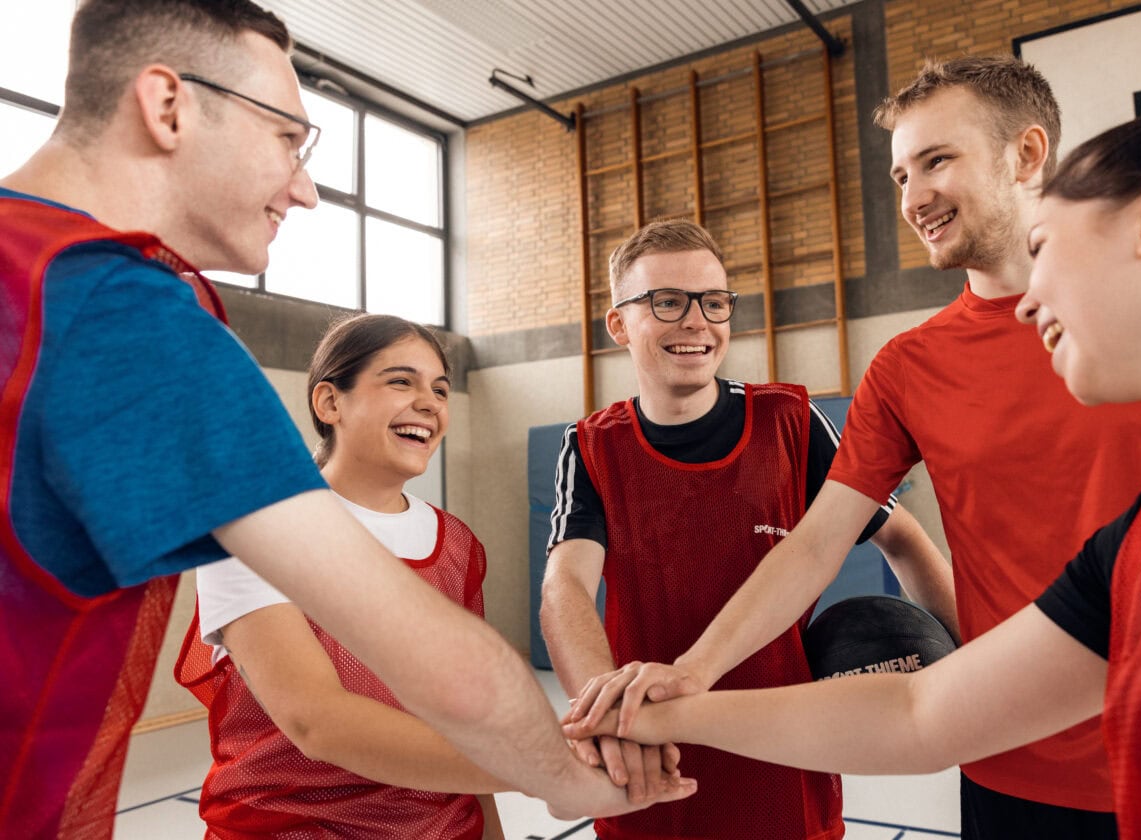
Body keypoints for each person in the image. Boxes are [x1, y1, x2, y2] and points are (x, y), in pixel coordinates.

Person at [0, 2, 689, 836]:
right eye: (288, 137)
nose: (307, 187)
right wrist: (576, 775)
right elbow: (432, 671)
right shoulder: (129, 314)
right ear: (168, 105)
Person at [564, 107, 1141, 840]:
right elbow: (918, 715)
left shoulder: (787, 422)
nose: (1028, 297)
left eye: (1045, 243)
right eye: (900, 174)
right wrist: (656, 706)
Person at [541, 218, 957, 840]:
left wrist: (971, 660)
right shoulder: (591, 446)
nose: (696, 321)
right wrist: (605, 712)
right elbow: (565, 586)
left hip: (785, 769)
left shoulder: (790, 420)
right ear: (620, 324)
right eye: (667, 302)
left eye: (713, 302)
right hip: (655, 762)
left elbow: (902, 536)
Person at [174, 314, 506, 838]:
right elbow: (317, 721)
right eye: (401, 380)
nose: (430, 403)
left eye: (440, 389)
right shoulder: (258, 525)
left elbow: (468, 715)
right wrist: (545, 766)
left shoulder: (457, 543)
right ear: (330, 403)